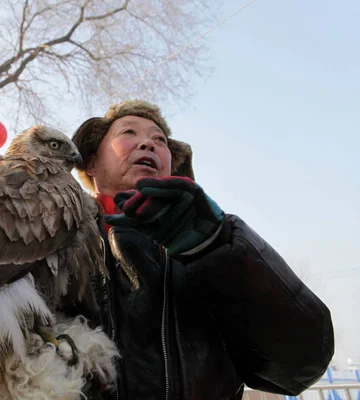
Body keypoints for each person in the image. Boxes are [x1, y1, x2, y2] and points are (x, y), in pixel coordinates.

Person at [68, 100, 334, 399]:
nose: (148, 143)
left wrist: (215, 247)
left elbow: (299, 366)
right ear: (91, 162)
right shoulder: (57, 238)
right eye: (129, 132)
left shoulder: (221, 238)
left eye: (160, 140)